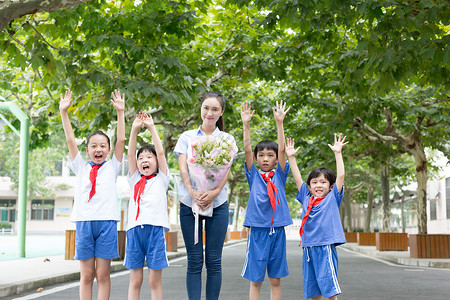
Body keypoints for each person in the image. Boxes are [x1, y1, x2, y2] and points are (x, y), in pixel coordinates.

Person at [59, 89, 125, 300]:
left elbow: (121, 141)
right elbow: (70, 141)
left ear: (108, 150)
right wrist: (64, 113)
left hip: (106, 224)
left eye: (103, 146)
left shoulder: (113, 166)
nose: (98, 149)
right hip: (84, 223)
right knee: (87, 275)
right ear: (87, 150)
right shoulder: (80, 167)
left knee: (103, 275)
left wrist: (120, 113)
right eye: (94, 146)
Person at [174, 91, 236, 300]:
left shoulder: (227, 139)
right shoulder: (187, 137)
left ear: (221, 112)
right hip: (189, 203)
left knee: (213, 261)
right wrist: (193, 192)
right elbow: (183, 167)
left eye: (215, 109)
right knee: (194, 261)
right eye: (206, 108)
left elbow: (226, 169)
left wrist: (214, 192)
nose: (209, 113)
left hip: (217, 204)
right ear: (200, 109)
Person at [240, 100, 293, 300]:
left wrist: (280, 123)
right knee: (256, 280)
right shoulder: (253, 175)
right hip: (257, 232)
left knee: (275, 279)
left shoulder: (279, 175)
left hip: (277, 231)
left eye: (269, 155)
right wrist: (246, 125)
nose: (265, 158)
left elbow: (282, 151)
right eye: (260, 155)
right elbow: (246, 150)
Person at [286, 134, 348, 300]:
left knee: (329, 289)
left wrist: (338, 153)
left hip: (324, 246)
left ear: (331, 186)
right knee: (313, 291)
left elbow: (341, 176)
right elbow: (297, 178)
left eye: (323, 182)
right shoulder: (306, 198)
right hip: (308, 248)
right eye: (314, 182)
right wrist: (291, 157)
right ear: (309, 186)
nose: (318, 185)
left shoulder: (332, 198)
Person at [124, 112, 170, 300]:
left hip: (155, 230)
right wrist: (134, 129)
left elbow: (160, 151)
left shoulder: (162, 179)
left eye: (149, 157)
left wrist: (151, 128)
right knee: (135, 281)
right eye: (141, 157)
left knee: (154, 281)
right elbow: (130, 152)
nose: (145, 160)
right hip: (134, 231)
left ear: (157, 162)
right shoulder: (134, 178)